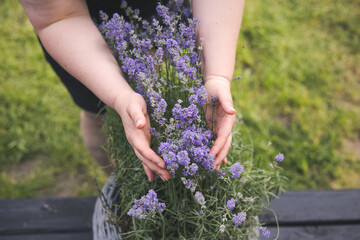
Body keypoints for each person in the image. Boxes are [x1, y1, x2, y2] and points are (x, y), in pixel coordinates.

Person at [19, 0, 244, 182]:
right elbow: (58, 17)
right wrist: (120, 97)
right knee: (97, 112)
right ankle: (121, 180)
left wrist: (216, 75)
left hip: (162, 9)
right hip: (79, 39)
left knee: (169, 84)